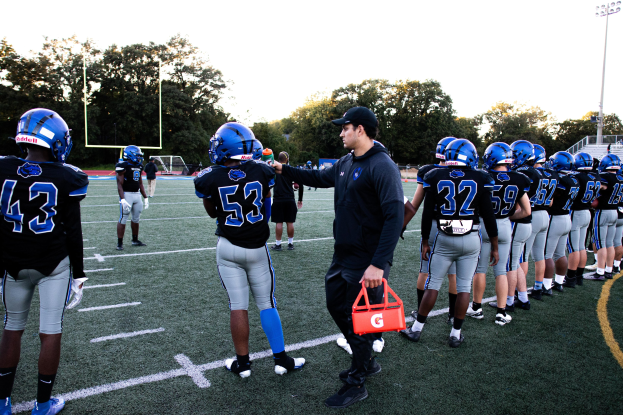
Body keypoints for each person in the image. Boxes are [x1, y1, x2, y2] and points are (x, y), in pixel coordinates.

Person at [273, 107, 404, 408]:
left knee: (359, 319)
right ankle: (366, 360)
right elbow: (318, 177)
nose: (341, 133)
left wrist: (378, 264)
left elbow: (395, 216)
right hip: (342, 254)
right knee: (336, 305)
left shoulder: (382, 165)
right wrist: (285, 170)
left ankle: (357, 381)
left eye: (344, 128)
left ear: (360, 129)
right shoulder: (346, 161)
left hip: (366, 261)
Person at [194, 122, 304, 379]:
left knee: (238, 305)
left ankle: (243, 364)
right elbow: (265, 210)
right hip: (256, 247)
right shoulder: (263, 171)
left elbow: (213, 213)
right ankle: (281, 360)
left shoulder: (207, 177)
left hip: (228, 247)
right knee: (267, 303)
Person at [0, 108, 89, 415]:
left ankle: (2, 403)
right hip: (53, 265)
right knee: (50, 330)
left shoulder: (4, 168)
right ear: (56, 141)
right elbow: (73, 231)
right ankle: (42, 405)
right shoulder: (67, 176)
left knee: (12, 327)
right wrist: (79, 273)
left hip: (13, 264)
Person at [401, 139, 498, 347]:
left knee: (433, 283)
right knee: (464, 287)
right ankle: (455, 333)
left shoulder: (434, 176)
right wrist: (495, 246)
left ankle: (417, 329)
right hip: (471, 237)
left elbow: (427, 214)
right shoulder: (481, 178)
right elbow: (489, 217)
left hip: (444, 237)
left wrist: (425, 241)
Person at [469, 142, 531, 325]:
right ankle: (501, 312)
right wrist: (510, 216)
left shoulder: (482, 176)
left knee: (480, 269)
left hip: (484, 225)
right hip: (505, 225)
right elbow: (527, 211)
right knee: (501, 270)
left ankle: (477, 308)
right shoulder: (520, 178)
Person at [407, 137, 459, 325]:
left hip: (434, 225)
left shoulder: (429, 171)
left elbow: (415, 205)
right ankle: (453, 315)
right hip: (458, 227)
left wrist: (402, 223)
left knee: (426, 270)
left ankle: (421, 313)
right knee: (453, 273)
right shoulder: (468, 173)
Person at [541, 152, 580, 293]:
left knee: (547, 255)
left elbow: (552, 197)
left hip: (556, 218)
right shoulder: (574, 179)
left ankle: (546, 286)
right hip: (567, 217)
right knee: (560, 253)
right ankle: (559, 282)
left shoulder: (560, 179)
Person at [565, 152, 600, 287]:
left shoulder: (576, 177)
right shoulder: (595, 177)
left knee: (574, 248)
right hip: (587, 211)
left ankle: (571, 278)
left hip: (576, 212)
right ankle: (579, 276)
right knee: (581, 247)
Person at [591, 154, 622, 280]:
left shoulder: (604, 176)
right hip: (615, 211)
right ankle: (609, 270)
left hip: (603, 211)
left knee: (600, 243)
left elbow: (600, 187)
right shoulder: (620, 178)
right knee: (610, 243)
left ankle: (600, 271)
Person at [115, 146, 149, 250]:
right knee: (123, 218)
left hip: (137, 195)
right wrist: (123, 199)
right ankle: (119, 243)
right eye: (137, 155)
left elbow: (140, 183)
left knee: (136, 218)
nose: (139, 157)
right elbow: (119, 184)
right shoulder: (123, 165)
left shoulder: (139, 166)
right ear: (131, 154)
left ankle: (135, 240)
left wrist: (145, 197)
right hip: (127, 194)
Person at [271, 151, 304, 251]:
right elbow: (300, 184)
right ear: (287, 159)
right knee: (290, 222)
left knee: (279, 223)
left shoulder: (273, 170)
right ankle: (290, 244)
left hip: (278, 199)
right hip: (289, 198)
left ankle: (278, 245)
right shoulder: (291, 169)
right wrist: (300, 199)